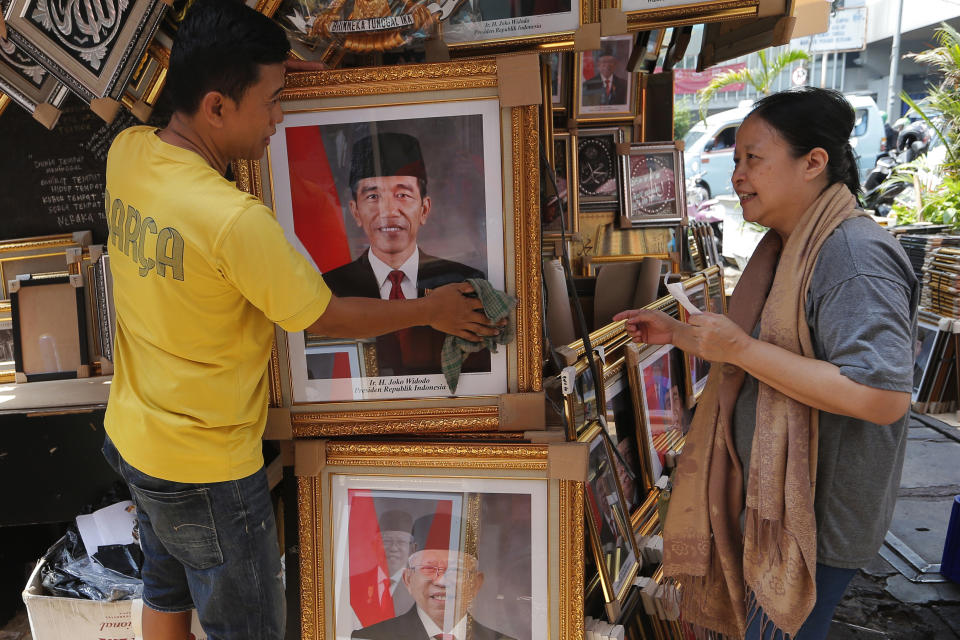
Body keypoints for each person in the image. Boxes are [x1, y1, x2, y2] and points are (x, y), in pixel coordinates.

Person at [99, 2, 500, 639]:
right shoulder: (234, 220)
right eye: (271, 100)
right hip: (210, 471)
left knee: (165, 592)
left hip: (135, 441)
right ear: (216, 106)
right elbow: (326, 316)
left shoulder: (127, 156)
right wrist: (431, 309)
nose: (279, 116)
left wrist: (269, 64)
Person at [614, 87, 918, 640]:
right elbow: (775, 356)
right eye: (734, 161)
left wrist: (740, 349)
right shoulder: (787, 246)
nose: (737, 175)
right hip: (775, 514)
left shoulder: (852, 256)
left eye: (753, 158)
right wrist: (682, 335)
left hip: (810, 526)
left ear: (813, 163)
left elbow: (882, 396)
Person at [322, 132, 489, 377]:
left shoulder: (463, 282)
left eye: (402, 195)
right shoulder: (330, 288)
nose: (389, 211)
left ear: (424, 209)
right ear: (355, 212)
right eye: (373, 196)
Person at [352, 515, 516, 640]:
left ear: (475, 584)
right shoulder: (369, 637)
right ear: (408, 579)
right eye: (429, 567)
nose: (441, 581)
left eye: (456, 569)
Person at [351, 510, 417, 620]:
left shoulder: (421, 589)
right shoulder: (353, 585)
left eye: (401, 542)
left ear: (413, 549)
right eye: (386, 541)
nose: (394, 548)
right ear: (374, 546)